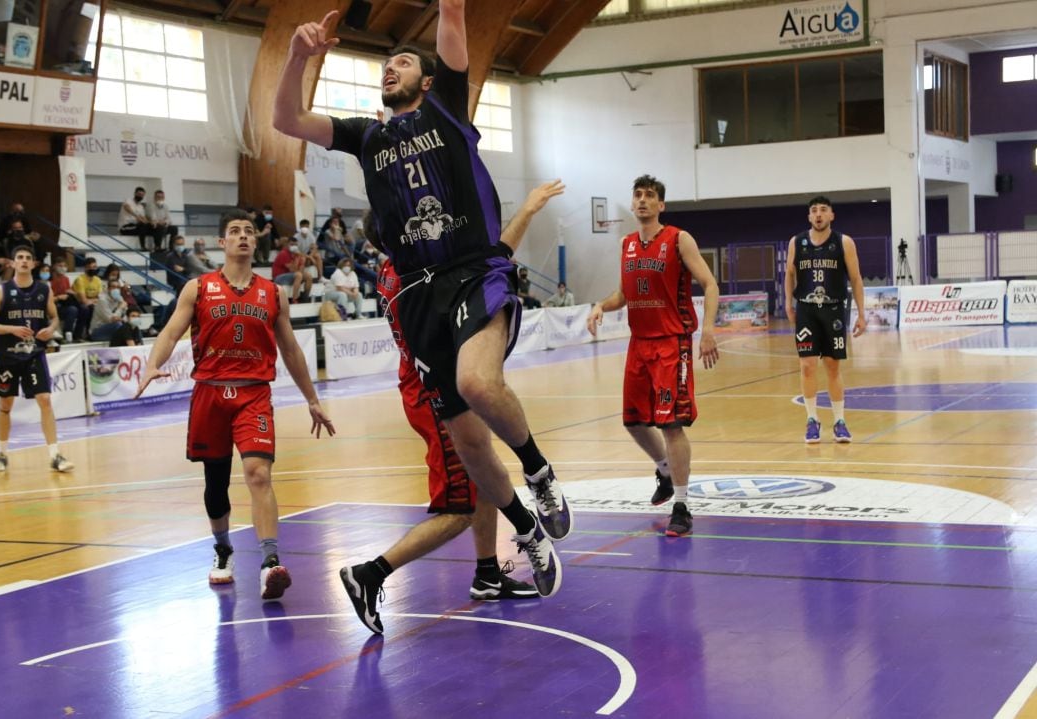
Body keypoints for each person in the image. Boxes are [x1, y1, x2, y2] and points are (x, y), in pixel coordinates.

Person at [274, 5, 570, 598]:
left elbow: (456, 17)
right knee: (466, 441)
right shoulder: (367, 135)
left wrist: (451, 11)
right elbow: (286, 119)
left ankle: (539, 473)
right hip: (417, 294)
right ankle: (527, 533)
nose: (391, 67)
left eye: (404, 61)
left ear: (429, 80)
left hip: (471, 270)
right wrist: (296, 57)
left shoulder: (446, 108)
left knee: (481, 385)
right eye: (385, 62)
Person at [339, 180, 563, 634]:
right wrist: (529, 208)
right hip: (432, 394)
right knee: (458, 507)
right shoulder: (417, 274)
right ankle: (369, 574)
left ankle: (486, 573)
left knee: (483, 478)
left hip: (424, 381)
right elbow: (497, 255)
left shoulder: (402, 268)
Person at [135, 208, 335, 600]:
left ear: (254, 241)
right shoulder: (198, 287)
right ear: (221, 242)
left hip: (254, 394)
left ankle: (269, 562)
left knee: (258, 473)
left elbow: (291, 349)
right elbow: (171, 330)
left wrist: (312, 398)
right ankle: (223, 551)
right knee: (215, 482)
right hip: (210, 392)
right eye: (234, 231)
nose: (242, 236)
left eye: (248, 231)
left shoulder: (272, 293)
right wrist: (151, 364)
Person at [587, 174, 720, 537]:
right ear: (632, 204)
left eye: (650, 196)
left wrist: (707, 330)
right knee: (632, 421)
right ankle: (663, 469)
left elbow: (710, 284)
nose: (643, 201)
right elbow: (624, 295)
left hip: (671, 343)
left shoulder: (678, 239)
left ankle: (682, 506)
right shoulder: (626, 244)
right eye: (638, 195)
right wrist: (602, 305)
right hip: (639, 344)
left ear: (661, 205)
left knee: (671, 424)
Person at [0, 246, 75, 473]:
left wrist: (50, 329)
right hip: (8, 356)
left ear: (33, 264)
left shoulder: (44, 290)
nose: (23, 261)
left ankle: (55, 455)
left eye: (27, 258)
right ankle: (2, 453)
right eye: (19, 258)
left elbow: (54, 319)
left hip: (34, 353)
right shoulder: (0, 291)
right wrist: (11, 329)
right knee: (5, 405)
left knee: (44, 399)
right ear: (13, 263)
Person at [784, 195, 866, 443]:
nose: (818, 214)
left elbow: (856, 279)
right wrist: (788, 303)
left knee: (832, 366)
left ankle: (839, 420)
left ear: (831, 215)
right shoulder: (796, 242)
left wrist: (862, 314)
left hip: (833, 310)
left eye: (823, 210)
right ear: (809, 216)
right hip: (807, 309)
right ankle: (812, 420)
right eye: (814, 211)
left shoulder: (844, 242)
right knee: (807, 365)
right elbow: (789, 274)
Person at [272, 236, 313, 303]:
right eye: (292, 244)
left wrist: (302, 261)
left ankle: (305, 297)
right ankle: (294, 299)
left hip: (291, 276)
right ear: (287, 245)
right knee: (299, 275)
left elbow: (300, 270)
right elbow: (292, 270)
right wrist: (297, 259)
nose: (294, 246)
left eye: (296, 245)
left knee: (308, 276)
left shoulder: (297, 254)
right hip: (279, 277)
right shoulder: (283, 253)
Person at [70, 258, 102, 341]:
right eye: (90, 267)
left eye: (94, 267)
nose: (92, 269)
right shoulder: (80, 280)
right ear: (85, 268)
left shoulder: (98, 280)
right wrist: (93, 300)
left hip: (91, 302)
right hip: (75, 301)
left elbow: (101, 298)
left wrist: (92, 301)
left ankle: (92, 333)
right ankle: (78, 335)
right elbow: (83, 300)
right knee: (85, 308)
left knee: (96, 307)